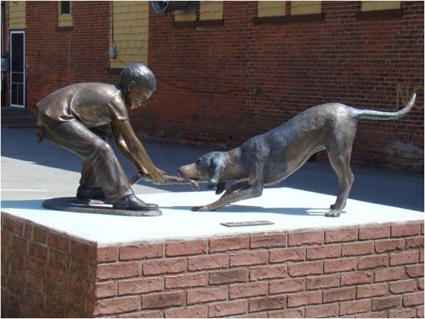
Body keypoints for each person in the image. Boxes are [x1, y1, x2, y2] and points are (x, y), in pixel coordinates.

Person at [36, 63, 167, 211]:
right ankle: (123, 198)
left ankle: (89, 187)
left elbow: (121, 142)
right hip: (54, 115)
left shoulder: (115, 100)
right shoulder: (114, 100)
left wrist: (142, 167)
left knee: (99, 142)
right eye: (143, 97)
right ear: (131, 86)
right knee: (100, 149)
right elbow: (132, 142)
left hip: (55, 113)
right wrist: (153, 170)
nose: (143, 103)